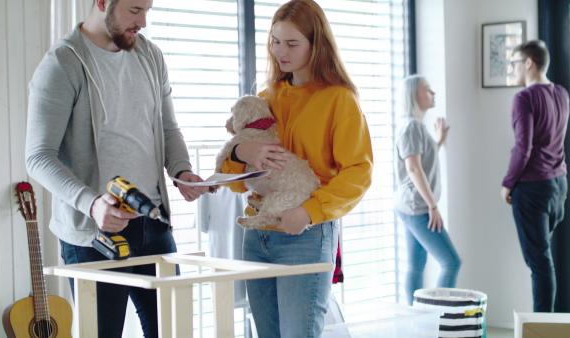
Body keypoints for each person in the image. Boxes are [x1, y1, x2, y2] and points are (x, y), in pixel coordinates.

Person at [25, 0, 208, 336]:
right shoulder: (62, 63)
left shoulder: (150, 56)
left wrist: (182, 171)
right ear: (102, 3)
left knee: (174, 331)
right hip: (92, 237)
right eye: (135, 10)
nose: (143, 22)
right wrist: (92, 203)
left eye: (148, 10)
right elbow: (38, 156)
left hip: (153, 227)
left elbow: (167, 128)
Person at [220, 1, 373, 336]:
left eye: (292, 43)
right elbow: (235, 181)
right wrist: (241, 151)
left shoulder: (339, 99)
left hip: (306, 234)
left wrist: (308, 212)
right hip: (257, 234)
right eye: (275, 41)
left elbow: (358, 173)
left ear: (316, 45)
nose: (280, 52)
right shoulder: (265, 96)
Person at [501, 40, 569, 313]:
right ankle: (547, 325)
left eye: (514, 63)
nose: (513, 69)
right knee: (545, 260)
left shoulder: (524, 98)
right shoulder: (562, 93)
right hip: (559, 185)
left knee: (540, 263)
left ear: (528, 63)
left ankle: (543, 328)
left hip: (533, 187)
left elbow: (523, 147)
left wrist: (507, 183)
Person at [394, 75, 461, 306]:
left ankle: (418, 322)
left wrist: (438, 141)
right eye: (427, 89)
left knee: (415, 266)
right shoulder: (411, 126)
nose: (433, 93)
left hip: (411, 206)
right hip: (418, 207)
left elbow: (420, 163)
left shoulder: (416, 127)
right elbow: (413, 168)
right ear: (414, 95)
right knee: (451, 262)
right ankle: (436, 319)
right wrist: (433, 206)